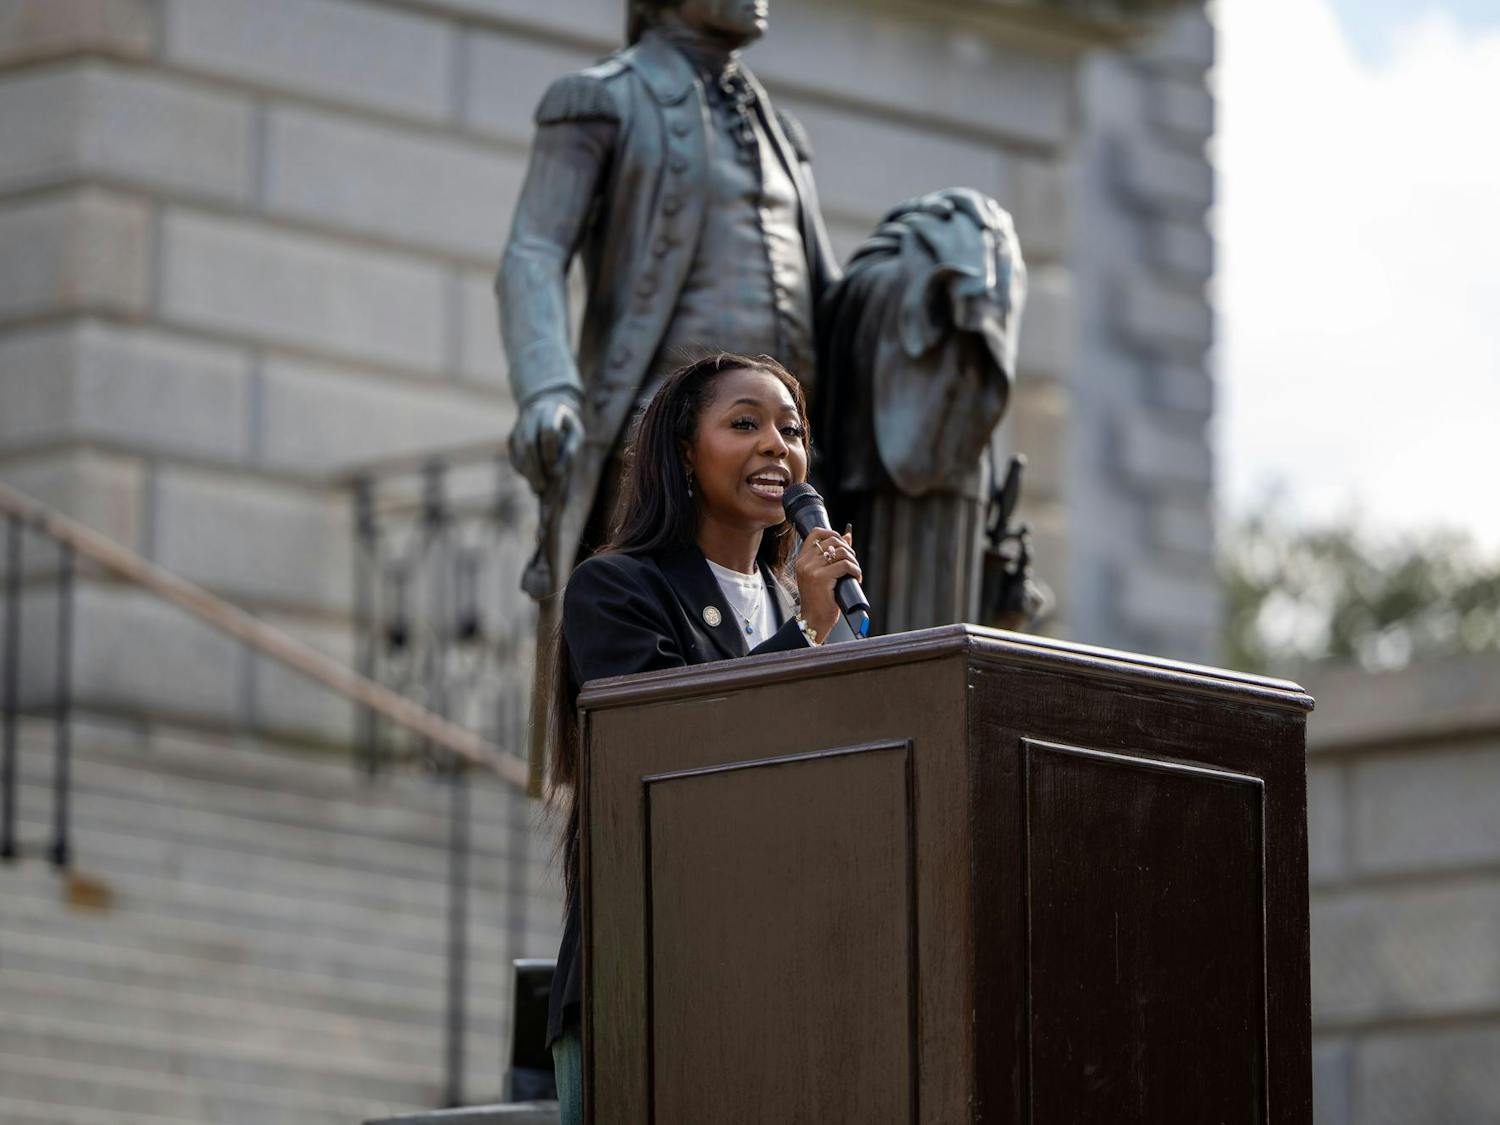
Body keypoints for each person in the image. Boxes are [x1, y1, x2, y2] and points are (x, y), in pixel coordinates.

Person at [542, 352, 860, 1123]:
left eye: (791, 429)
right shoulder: (618, 588)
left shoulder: (807, 611)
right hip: (653, 981)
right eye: (744, 423)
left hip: (782, 987)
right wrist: (808, 634)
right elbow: (673, 753)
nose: (775, 446)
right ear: (686, 452)